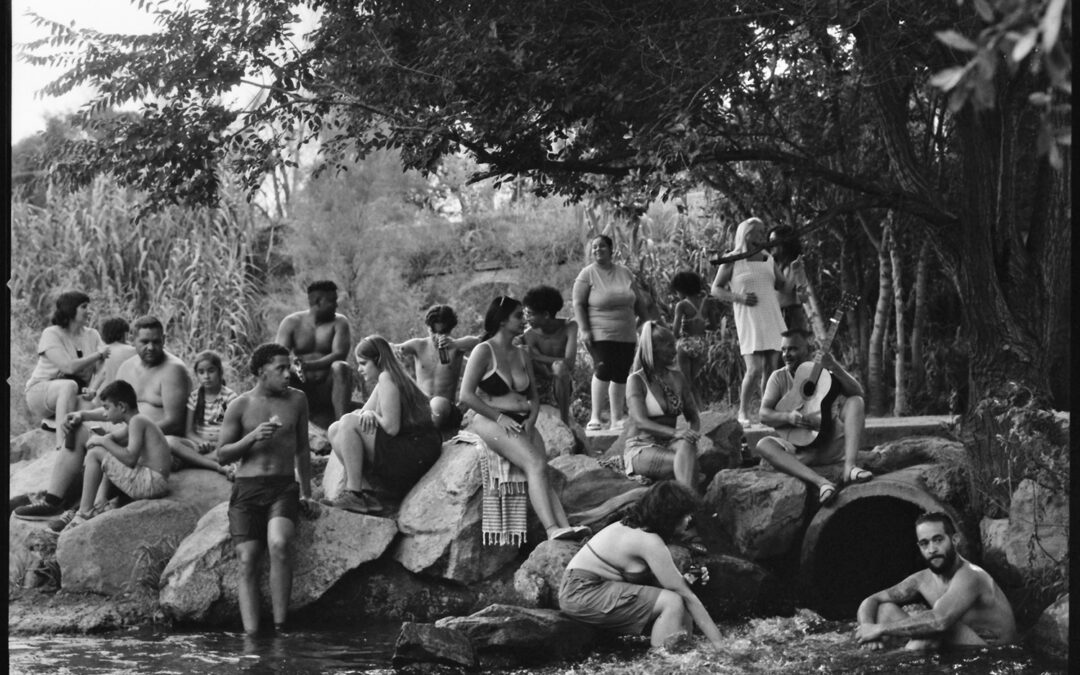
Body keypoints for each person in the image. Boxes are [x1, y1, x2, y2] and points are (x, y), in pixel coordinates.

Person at [16, 316, 220, 522]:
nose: (150, 347)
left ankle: (82, 509)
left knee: (103, 448)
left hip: (154, 443)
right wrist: (83, 415)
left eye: (156, 341)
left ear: (164, 340)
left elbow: (175, 422)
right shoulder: (127, 367)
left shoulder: (174, 370)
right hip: (127, 432)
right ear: (132, 340)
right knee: (77, 430)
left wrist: (125, 436)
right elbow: (114, 408)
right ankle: (53, 501)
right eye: (144, 341)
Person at [460, 296, 587, 541]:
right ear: (502, 320)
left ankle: (566, 526)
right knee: (535, 464)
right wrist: (499, 418)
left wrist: (532, 419)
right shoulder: (483, 351)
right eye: (518, 316)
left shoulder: (521, 353)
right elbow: (466, 395)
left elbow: (533, 396)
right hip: (490, 419)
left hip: (523, 419)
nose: (524, 320)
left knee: (542, 471)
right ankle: (552, 529)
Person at [217, 342, 314, 635]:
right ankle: (252, 638)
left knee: (279, 543)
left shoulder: (297, 400)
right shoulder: (240, 405)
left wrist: (307, 493)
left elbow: (303, 449)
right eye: (280, 368)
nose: (288, 374)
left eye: (289, 367)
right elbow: (222, 455)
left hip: (283, 487)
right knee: (247, 559)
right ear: (261, 372)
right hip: (247, 489)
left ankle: (281, 628)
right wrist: (252, 437)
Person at [559, 480, 723, 650]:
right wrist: (720, 646)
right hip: (582, 591)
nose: (689, 519)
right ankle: (663, 661)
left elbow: (669, 585)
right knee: (672, 602)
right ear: (671, 517)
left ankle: (685, 652)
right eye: (685, 515)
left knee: (677, 600)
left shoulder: (635, 527)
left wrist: (689, 578)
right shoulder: (649, 541)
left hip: (578, 589)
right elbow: (685, 594)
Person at [856, 512, 1018, 650]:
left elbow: (939, 621)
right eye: (924, 543)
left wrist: (879, 629)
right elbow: (871, 600)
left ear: (955, 540)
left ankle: (891, 661)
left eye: (938, 539)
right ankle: (887, 653)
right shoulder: (922, 580)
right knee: (884, 610)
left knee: (931, 631)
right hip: (956, 648)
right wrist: (867, 628)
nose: (932, 549)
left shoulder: (971, 575)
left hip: (992, 653)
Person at [755, 329, 873, 506]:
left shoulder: (825, 373)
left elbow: (858, 392)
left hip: (830, 444)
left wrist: (834, 366)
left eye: (793, 349)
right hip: (800, 452)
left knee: (856, 402)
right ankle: (822, 483)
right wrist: (787, 417)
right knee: (763, 444)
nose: (786, 354)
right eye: (784, 349)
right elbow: (763, 414)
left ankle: (850, 467)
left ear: (808, 350)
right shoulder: (778, 377)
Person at [327, 336, 443, 515]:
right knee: (335, 429)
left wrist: (372, 414)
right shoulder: (385, 378)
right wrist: (366, 413)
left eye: (363, 363)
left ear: (378, 360)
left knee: (348, 423)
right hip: (409, 450)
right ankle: (367, 494)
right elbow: (359, 414)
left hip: (415, 453)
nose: (359, 369)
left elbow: (391, 428)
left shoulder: (387, 377)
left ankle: (354, 493)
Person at [58, 380, 173, 532]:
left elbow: (130, 458)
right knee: (105, 452)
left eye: (107, 408)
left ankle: (84, 513)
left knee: (94, 454)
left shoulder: (137, 422)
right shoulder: (136, 421)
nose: (105, 413)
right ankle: (100, 501)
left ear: (121, 407)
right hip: (154, 482)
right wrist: (100, 438)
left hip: (151, 483)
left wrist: (103, 441)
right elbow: (112, 441)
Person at [710, 217, 787, 427]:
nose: (762, 236)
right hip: (749, 318)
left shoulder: (767, 258)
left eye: (763, 232)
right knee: (754, 369)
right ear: (746, 234)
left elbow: (782, 284)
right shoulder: (733, 259)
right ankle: (742, 411)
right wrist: (740, 298)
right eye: (758, 232)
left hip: (771, 316)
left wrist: (796, 272)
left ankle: (766, 411)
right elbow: (715, 289)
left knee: (771, 367)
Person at [572, 234, 646, 431]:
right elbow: (578, 303)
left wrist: (646, 324)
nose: (598, 250)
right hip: (599, 331)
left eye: (602, 246)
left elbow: (638, 301)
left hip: (626, 332)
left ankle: (617, 418)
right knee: (603, 368)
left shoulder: (625, 272)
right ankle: (595, 417)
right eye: (594, 247)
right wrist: (584, 329)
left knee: (621, 372)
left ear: (611, 249)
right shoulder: (587, 274)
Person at [23, 291, 109, 453]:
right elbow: (68, 367)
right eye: (84, 307)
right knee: (68, 385)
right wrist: (98, 354)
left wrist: (93, 389)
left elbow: (102, 370)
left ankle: (57, 427)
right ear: (70, 309)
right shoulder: (51, 333)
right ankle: (61, 444)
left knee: (91, 407)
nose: (89, 311)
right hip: (40, 393)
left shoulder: (93, 335)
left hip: (72, 395)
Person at [623, 321, 703, 490]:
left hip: (670, 443)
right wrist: (676, 432)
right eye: (669, 345)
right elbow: (640, 422)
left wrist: (692, 435)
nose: (675, 350)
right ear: (653, 349)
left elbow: (693, 417)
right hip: (641, 447)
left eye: (674, 345)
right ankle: (690, 500)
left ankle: (687, 501)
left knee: (687, 447)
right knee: (684, 464)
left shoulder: (678, 377)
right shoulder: (636, 380)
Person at [275, 280, 353, 430]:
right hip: (301, 387)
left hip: (327, 387)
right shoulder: (291, 323)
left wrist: (309, 366)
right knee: (280, 371)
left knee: (341, 367)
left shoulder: (339, 322)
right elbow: (278, 357)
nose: (336, 305)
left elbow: (339, 354)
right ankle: (286, 424)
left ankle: (342, 426)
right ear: (318, 302)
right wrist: (296, 368)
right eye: (332, 301)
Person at [395, 304, 480, 432]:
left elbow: (482, 341)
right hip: (421, 407)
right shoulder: (419, 345)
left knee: (438, 403)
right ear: (428, 328)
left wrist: (455, 343)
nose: (437, 337)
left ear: (450, 330)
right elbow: (392, 348)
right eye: (433, 332)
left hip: (445, 409)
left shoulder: (456, 348)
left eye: (442, 332)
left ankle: (429, 435)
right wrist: (394, 350)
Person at [521, 285, 578, 425]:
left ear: (546, 315)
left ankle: (565, 420)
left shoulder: (569, 327)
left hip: (561, 383)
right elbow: (541, 370)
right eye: (525, 314)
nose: (527, 319)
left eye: (530, 314)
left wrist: (537, 357)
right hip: (537, 385)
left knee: (560, 367)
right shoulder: (528, 335)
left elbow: (569, 363)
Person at [670, 271, 721, 410]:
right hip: (701, 345)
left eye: (677, 291)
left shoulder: (682, 305)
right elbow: (714, 326)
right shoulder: (707, 303)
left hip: (685, 344)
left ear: (682, 289)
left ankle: (689, 410)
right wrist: (701, 326)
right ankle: (701, 409)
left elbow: (675, 331)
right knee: (694, 380)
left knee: (685, 381)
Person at [180, 350, 239, 460]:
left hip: (221, 446)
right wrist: (202, 442)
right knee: (173, 442)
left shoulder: (230, 397)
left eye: (211, 371)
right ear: (196, 375)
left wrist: (216, 445)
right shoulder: (194, 397)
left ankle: (198, 460)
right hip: (199, 444)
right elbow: (189, 432)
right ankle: (203, 459)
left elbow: (233, 432)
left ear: (220, 372)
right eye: (201, 372)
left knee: (226, 452)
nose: (206, 376)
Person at [768, 226, 810, 333]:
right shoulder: (771, 264)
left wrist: (797, 275)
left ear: (784, 243)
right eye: (769, 241)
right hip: (773, 315)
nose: (770, 245)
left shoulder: (795, 265)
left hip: (790, 316)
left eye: (773, 241)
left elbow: (802, 297)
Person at [85, 316, 137, 398]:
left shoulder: (100, 352)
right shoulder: (133, 351)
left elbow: (98, 375)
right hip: (126, 396)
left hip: (101, 396)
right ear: (125, 334)